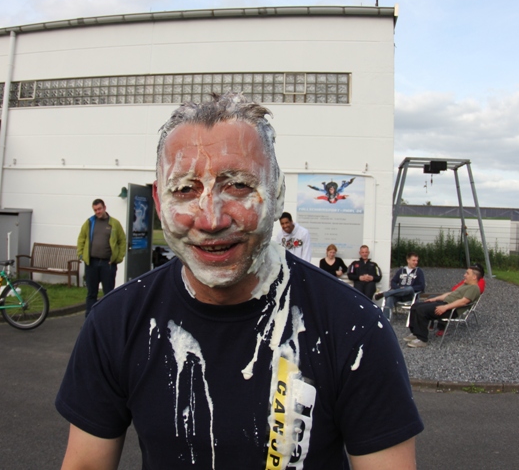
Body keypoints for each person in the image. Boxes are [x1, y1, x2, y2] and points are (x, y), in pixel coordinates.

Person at [56, 93, 422, 469]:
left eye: (238, 186)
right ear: (159, 201)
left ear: (277, 191)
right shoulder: (115, 323)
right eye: (185, 189)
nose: (211, 220)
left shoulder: (355, 328)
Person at [405, 264, 483, 348]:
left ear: (474, 277)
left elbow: (463, 302)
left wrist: (445, 307)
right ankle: (415, 333)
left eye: (467, 273)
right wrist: (434, 299)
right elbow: (450, 294)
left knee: (421, 310)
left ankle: (422, 339)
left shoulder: (474, 288)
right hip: (445, 304)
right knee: (415, 306)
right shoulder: (466, 285)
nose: (464, 275)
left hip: (451, 310)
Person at [76, 198, 127, 317]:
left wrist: (118, 258)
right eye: (95, 210)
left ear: (104, 208)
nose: (98, 212)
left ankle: (107, 319)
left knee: (108, 294)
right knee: (91, 293)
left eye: (99, 209)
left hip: (107, 264)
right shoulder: (89, 223)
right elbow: (81, 238)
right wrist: (81, 255)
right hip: (91, 263)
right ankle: (89, 320)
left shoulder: (114, 223)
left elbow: (122, 241)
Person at [375, 252, 426, 320]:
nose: (416, 262)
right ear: (408, 260)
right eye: (413, 260)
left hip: (410, 295)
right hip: (399, 295)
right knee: (390, 297)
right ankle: (386, 319)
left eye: (417, 261)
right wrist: (399, 288)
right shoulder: (401, 270)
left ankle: (385, 294)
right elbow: (393, 282)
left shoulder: (419, 271)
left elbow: (421, 286)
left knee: (409, 289)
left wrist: (409, 288)